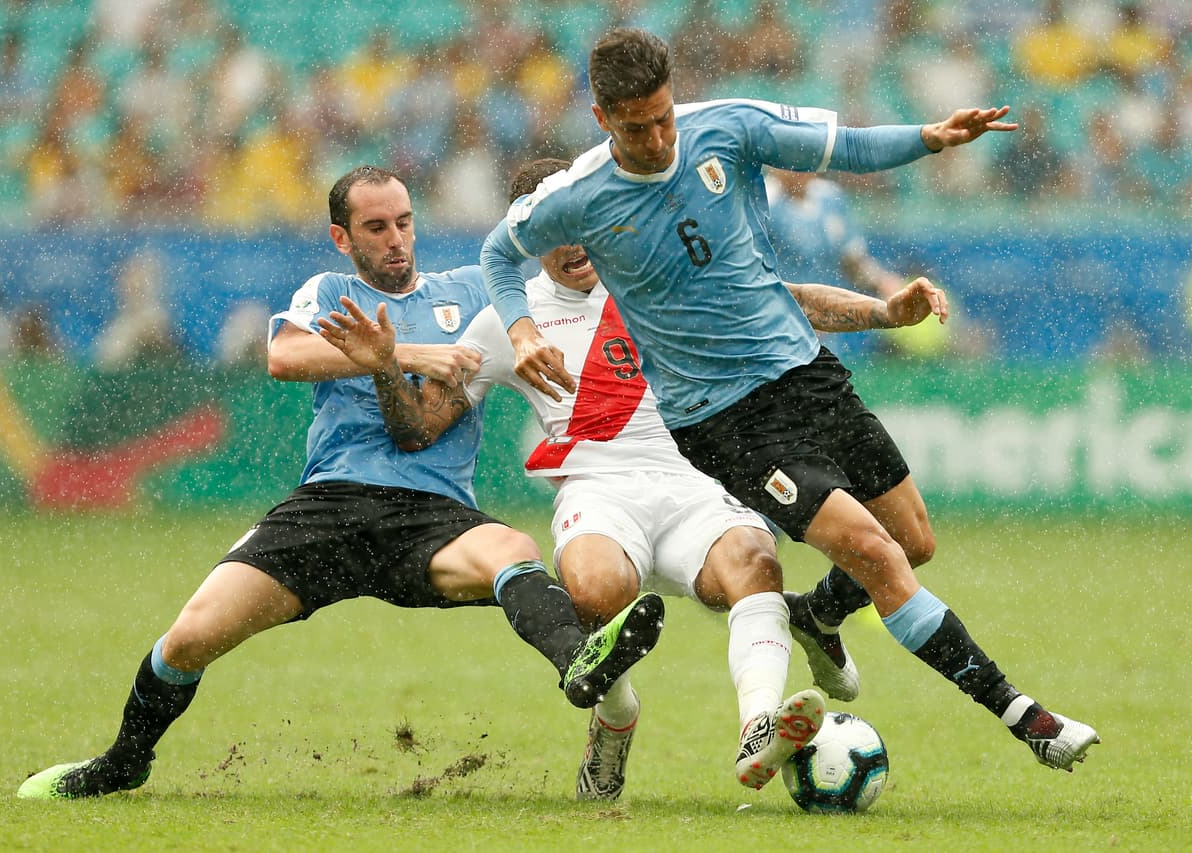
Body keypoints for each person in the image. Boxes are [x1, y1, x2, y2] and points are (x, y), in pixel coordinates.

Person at [480, 29, 1099, 773]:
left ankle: (817, 614)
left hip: (807, 373)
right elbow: (497, 255)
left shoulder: (728, 127)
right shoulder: (576, 196)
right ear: (602, 116)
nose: (657, 139)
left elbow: (843, 149)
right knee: (875, 553)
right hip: (723, 418)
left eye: (664, 117)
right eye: (636, 127)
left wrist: (929, 138)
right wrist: (519, 329)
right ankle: (1027, 717)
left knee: (911, 540)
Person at [17, 165, 664, 801]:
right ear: (342, 238)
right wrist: (398, 354)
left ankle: (579, 665)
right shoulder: (331, 293)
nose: (396, 239)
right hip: (329, 505)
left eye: (404, 223)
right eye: (376, 227)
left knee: (513, 550)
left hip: (433, 514)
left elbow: (560, 284)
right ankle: (123, 762)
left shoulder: (474, 290)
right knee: (189, 637)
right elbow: (283, 356)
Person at [318, 157, 952, 799]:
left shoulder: (663, 275)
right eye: (551, 232)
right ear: (526, 238)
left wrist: (885, 312)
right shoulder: (507, 321)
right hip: (598, 492)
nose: (572, 245)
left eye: (580, 223)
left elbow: (792, 300)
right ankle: (615, 719)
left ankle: (759, 726)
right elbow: (420, 428)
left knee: (755, 565)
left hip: (698, 480)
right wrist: (385, 367)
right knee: (595, 591)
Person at [765, 170, 905, 299]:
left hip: (833, 308)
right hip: (788, 309)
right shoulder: (763, 202)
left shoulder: (830, 196)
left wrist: (882, 282)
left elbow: (851, 258)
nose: (799, 168)